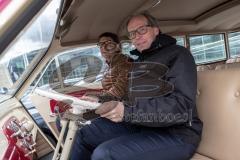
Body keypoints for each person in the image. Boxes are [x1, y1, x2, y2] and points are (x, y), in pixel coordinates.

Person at [71, 12, 203, 160]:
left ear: (156, 30)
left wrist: (127, 112)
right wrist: (99, 100)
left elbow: (181, 106)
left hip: (177, 133)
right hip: (141, 125)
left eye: (142, 30)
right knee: (82, 133)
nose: (137, 36)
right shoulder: (138, 62)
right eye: (132, 34)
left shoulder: (179, 55)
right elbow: (125, 95)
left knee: (104, 154)